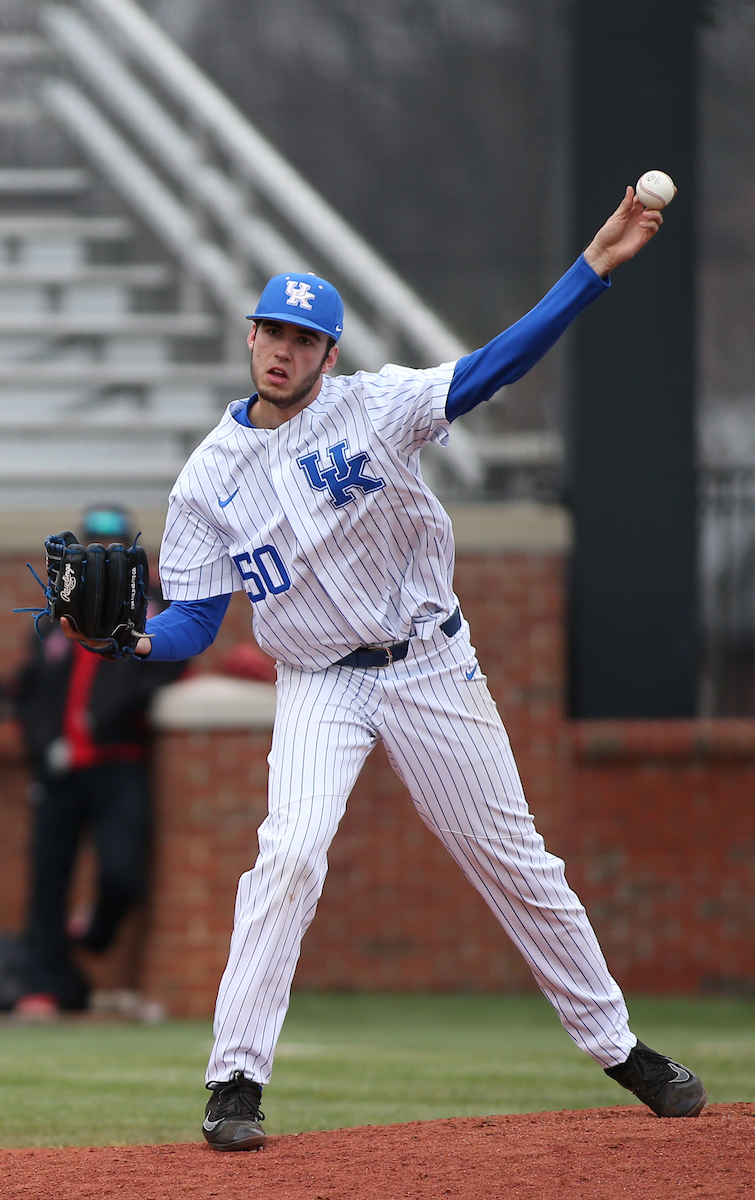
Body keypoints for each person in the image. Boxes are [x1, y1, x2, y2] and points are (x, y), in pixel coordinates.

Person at [62, 188, 706, 1147]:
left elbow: (495, 366)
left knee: (519, 865)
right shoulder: (207, 477)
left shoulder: (379, 408)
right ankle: (235, 1080)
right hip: (319, 680)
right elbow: (197, 617)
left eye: (303, 337)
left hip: (429, 668)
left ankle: (617, 1046)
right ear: (250, 338)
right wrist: (136, 641)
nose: (282, 348)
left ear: (330, 353)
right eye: (270, 330)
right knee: (289, 852)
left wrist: (593, 270)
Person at [0, 506, 186, 1017]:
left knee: (121, 871)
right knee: (47, 879)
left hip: (117, 764)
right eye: (93, 548)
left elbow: (165, 669)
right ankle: (47, 986)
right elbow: (29, 691)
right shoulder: (57, 624)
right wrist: (43, 742)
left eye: (110, 548)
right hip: (59, 770)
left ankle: (94, 933)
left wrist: (101, 718)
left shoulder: (151, 620)